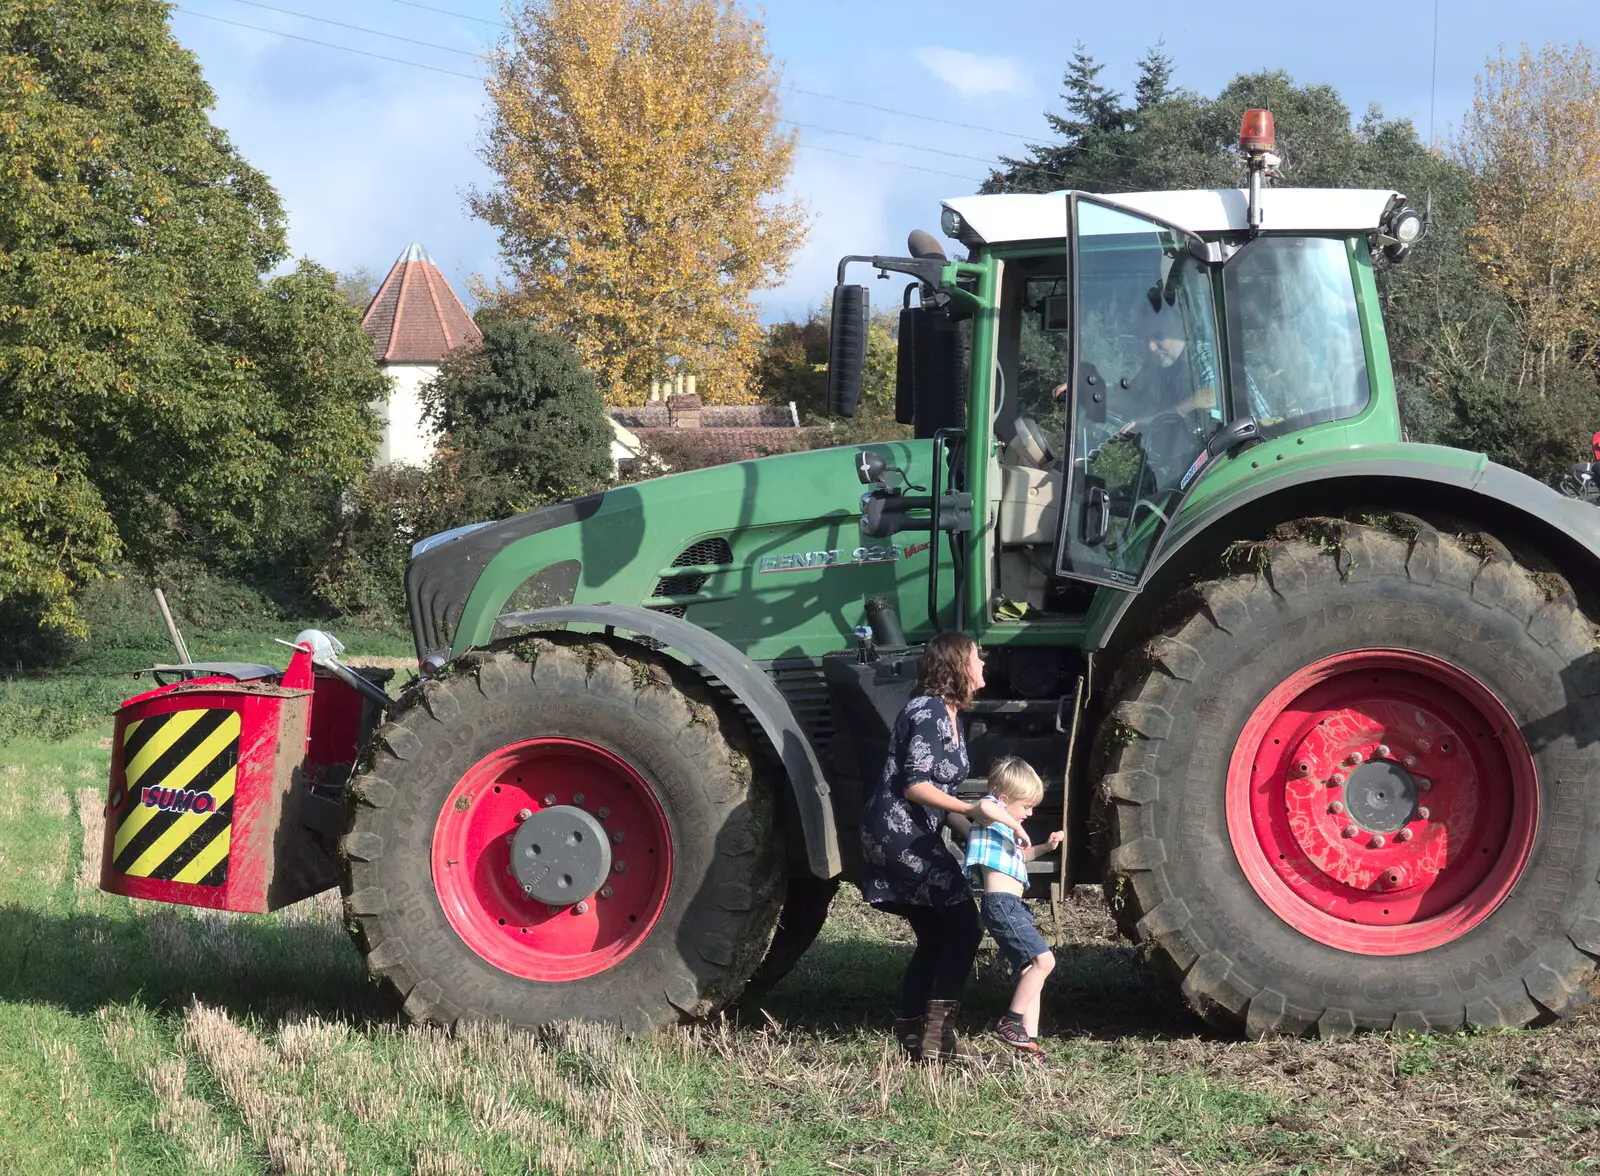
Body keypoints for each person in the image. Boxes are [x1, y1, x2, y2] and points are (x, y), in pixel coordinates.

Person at [858, 631, 1028, 1063]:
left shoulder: (948, 713)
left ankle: (918, 1040)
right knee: (964, 929)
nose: (984, 665)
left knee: (935, 937)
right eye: (977, 658)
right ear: (957, 665)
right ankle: (936, 1040)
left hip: (913, 833)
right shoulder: (929, 710)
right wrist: (973, 810)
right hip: (900, 835)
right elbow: (916, 786)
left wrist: (981, 835)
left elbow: (940, 793)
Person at [963, 756, 1063, 1062]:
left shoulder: (1007, 829)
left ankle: (1028, 1047)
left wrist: (1046, 847)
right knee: (1045, 962)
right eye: (1026, 806)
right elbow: (988, 806)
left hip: (1014, 906)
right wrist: (1014, 824)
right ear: (1005, 800)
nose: (1030, 814)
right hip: (1001, 905)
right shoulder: (991, 816)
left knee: (1033, 972)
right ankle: (1010, 1021)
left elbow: (1021, 857)